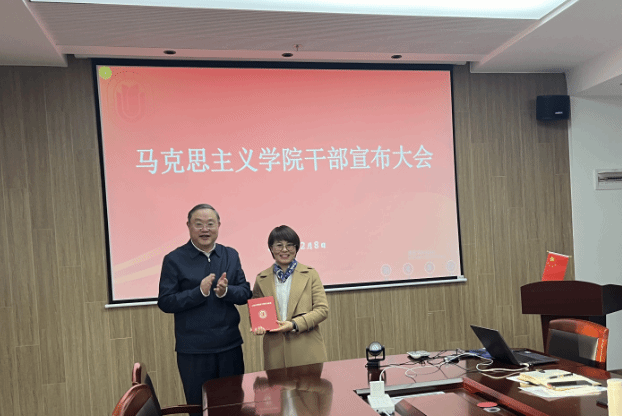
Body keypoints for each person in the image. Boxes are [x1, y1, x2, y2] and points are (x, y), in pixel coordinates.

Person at [158, 203, 252, 415]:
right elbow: (165, 301)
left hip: (229, 347)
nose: (205, 229)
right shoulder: (174, 259)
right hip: (194, 351)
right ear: (188, 226)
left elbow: (245, 292)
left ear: (218, 225)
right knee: (200, 408)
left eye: (210, 224)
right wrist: (198, 292)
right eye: (198, 224)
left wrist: (226, 292)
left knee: (232, 408)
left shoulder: (230, 255)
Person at [252, 225, 329, 370]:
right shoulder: (261, 279)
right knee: (277, 384)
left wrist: (294, 324)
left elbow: (322, 310)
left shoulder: (310, 274)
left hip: (307, 351)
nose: (284, 250)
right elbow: (257, 314)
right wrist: (259, 327)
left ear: (296, 248)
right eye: (279, 245)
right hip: (275, 353)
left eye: (289, 245)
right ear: (271, 248)